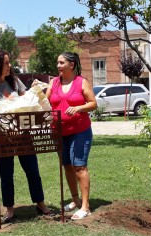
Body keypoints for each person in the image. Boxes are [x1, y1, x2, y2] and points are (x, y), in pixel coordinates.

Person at [0, 50, 53, 223]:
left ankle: (40, 203)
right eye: (5, 62)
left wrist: (35, 91)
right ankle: (9, 209)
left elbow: (27, 103)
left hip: (24, 136)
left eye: (9, 62)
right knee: (6, 175)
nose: (9, 66)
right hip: (2, 138)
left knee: (33, 171)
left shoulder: (14, 81)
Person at [46, 52, 97, 220]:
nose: (59, 66)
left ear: (72, 65)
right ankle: (75, 200)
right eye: (58, 63)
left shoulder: (81, 82)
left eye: (62, 63)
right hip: (59, 132)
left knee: (79, 166)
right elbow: (44, 103)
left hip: (80, 131)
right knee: (67, 165)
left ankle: (85, 206)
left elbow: (93, 104)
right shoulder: (53, 82)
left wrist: (78, 108)